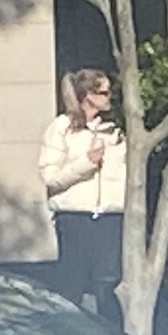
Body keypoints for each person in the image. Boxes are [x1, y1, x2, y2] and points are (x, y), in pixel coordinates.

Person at [38, 68, 126, 318]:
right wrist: (86, 163)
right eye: (104, 92)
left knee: (108, 285)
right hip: (75, 217)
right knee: (72, 285)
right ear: (87, 95)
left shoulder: (116, 129)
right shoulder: (62, 127)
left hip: (110, 217)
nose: (109, 98)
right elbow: (50, 177)